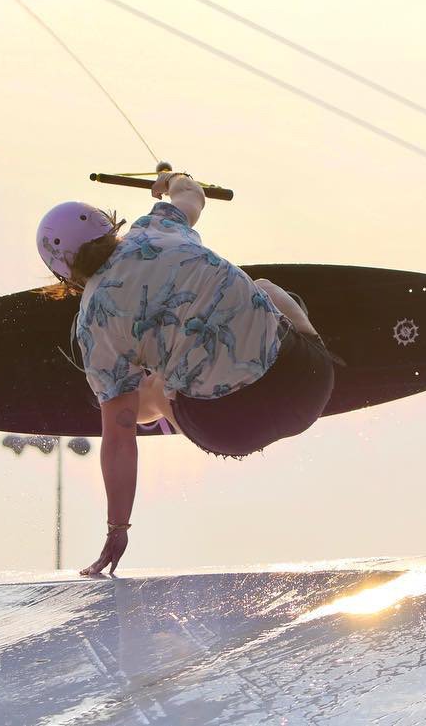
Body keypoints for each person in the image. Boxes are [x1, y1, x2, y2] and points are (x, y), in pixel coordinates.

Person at [36, 171, 336, 576]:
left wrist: (117, 529)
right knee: (263, 287)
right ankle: (301, 335)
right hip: (309, 384)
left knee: (148, 392)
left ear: (62, 272)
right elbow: (191, 194)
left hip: (232, 428)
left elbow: (120, 438)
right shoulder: (158, 225)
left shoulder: (95, 321)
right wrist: (171, 178)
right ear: (110, 226)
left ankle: (159, 401)